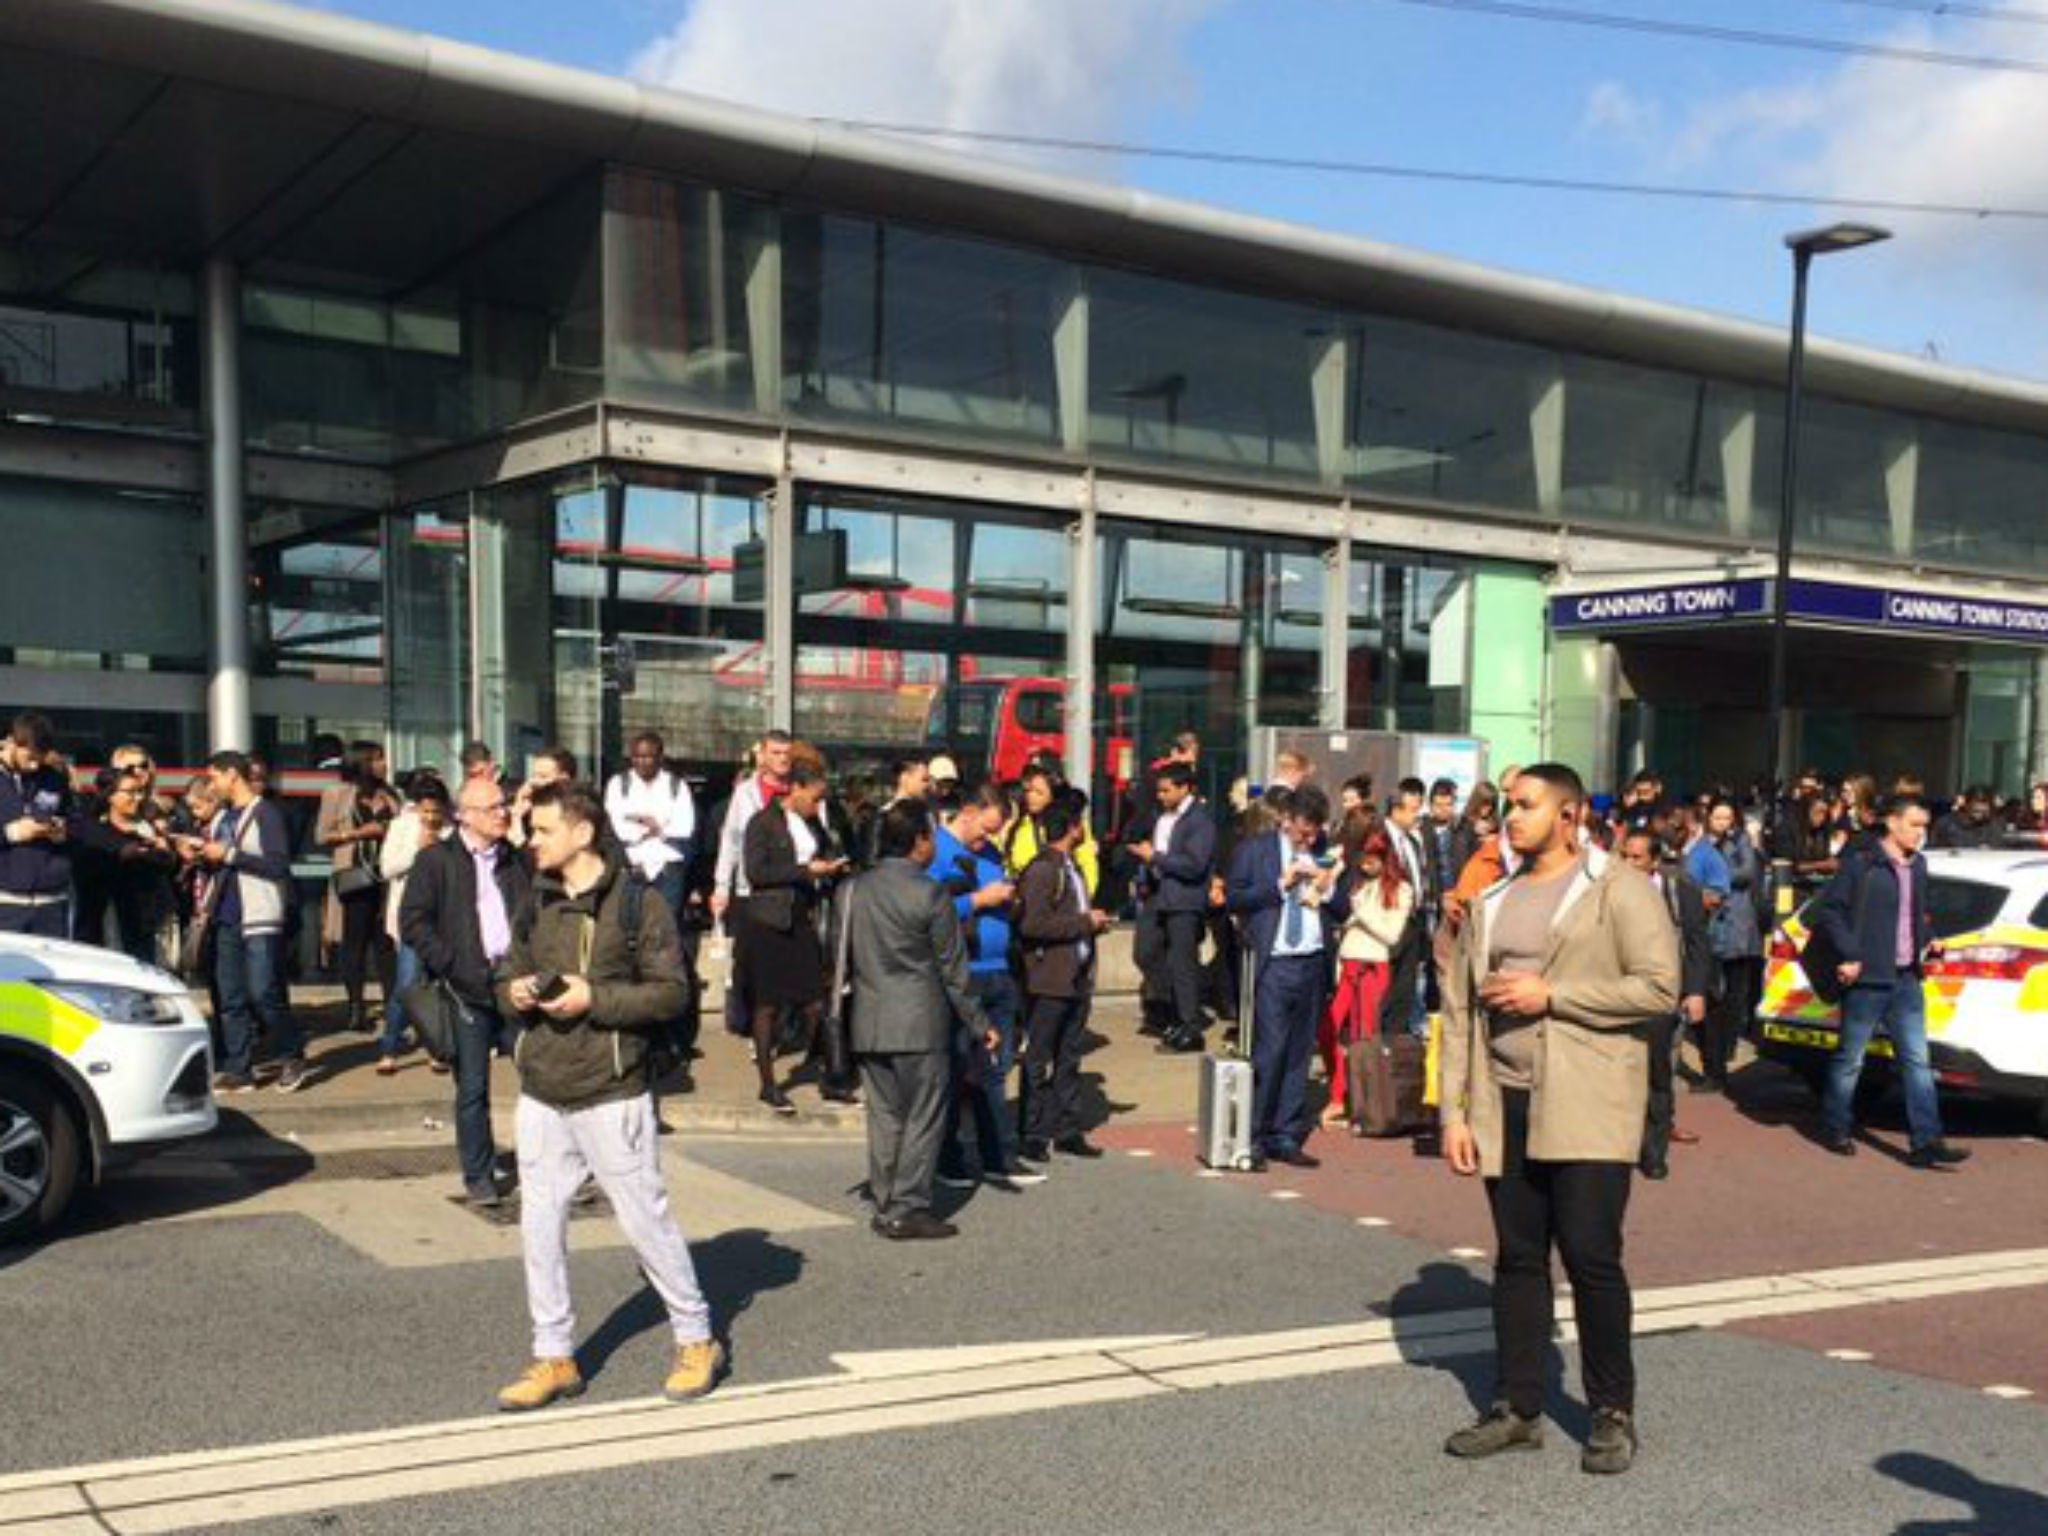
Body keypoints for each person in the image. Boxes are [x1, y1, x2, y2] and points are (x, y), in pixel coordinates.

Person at [1439, 763, 1677, 1477]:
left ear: (1569, 814)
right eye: (1509, 805)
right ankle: (1518, 1408)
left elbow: (1660, 988)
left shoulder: (1618, 890)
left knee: (1590, 1256)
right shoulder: (1494, 896)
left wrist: (1555, 994)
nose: (1510, 816)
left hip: (1588, 1100)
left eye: (1527, 805)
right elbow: (1458, 1010)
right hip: (1502, 1099)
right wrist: (1453, 1110)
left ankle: (1611, 1412)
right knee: (1516, 1258)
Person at [493, 780, 723, 1412]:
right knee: (539, 1225)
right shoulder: (533, 899)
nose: (529, 840)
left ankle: (696, 1336)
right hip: (542, 1085)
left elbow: (673, 993)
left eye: (540, 830)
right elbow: (504, 969)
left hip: (612, 1088)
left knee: (644, 1218)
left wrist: (594, 996)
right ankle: (553, 1354)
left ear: (582, 832)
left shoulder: (638, 904)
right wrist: (510, 991)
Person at [846, 798, 999, 1240]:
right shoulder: (929, 893)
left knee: (885, 1115)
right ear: (918, 842)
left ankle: (886, 1195)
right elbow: (954, 969)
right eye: (930, 834)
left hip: (869, 1017)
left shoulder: (854, 889)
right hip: (919, 1020)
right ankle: (908, 1204)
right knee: (923, 1115)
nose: (934, 842)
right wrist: (978, 1021)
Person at [1812, 794, 1971, 1170]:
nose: (1921, 832)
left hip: (1905, 979)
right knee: (1850, 1059)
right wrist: (1850, 955)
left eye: (1924, 825)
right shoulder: (1861, 863)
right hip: (1867, 979)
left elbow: (1916, 914)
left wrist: (1928, 939)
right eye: (1915, 824)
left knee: (1918, 1060)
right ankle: (1835, 1125)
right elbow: (1831, 913)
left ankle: (1926, 1141)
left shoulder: (1919, 866)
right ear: (1892, 823)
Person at [401, 774, 532, 1206]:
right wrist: (451, 963)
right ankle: (478, 1173)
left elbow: (533, 912)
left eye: (504, 805)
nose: (504, 813)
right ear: (467, 815)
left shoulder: (515, 859)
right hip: (466, 987)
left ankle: (550, 1162)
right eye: (494, 807)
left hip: (513, 981)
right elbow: (414, 921)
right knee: (473, 1086)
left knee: (539, 1072)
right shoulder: (437, 860)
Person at [1227, 784, 1341, 1170]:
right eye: (1303, 831)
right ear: (1286, 820)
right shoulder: (1255, 850)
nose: (1308, 839)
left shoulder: (1325, 852)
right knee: (1270, 1050)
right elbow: (1234, 897)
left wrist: (1327, 890)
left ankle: (1286, 1134)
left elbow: (1344, 907)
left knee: (1298, 1053)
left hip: (1312, 961)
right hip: (1274, 961)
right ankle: (1254, 1135)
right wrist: (1280, 884)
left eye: (1314, 832)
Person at [929, 785, 1034, 1187]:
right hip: (963, 972)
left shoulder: (990, 853)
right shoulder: (937, 851)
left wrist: (1009, 899)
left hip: (997, 969)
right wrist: (977, 901)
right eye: (984, 829)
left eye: (994, 832)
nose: (986, 839)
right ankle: (949, 1157)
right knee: (956, 1068)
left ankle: (997, 1156)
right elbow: (927, 910)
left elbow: (996, 892)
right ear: (969, 812)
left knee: (995, 1069)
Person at [738, 763, 849, 1115]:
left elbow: (817, 853)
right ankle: (768, 1084)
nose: (817, 807)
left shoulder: (811, 823)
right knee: (766, 1004)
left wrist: (830, 867)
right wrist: (804, 871)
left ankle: (823, 1072)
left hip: (800, 917)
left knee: (815, 1001)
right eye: (814, 799)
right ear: (795, 789)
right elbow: (756, 871)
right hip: (768, 921)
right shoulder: (763, 822)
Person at [197, 751, 310, 1094]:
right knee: (230, 996)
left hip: (259, 915)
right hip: (225, 915)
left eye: (215, 777)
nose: (212, 785)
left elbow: (278, 865)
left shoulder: (266, 813)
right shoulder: (222, 817)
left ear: (233, 775)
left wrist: (229, 854)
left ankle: (292, 1052)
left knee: (263, 992)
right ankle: (239, 1067)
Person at [1014, 801, 1113, 1165]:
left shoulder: (1072, 869)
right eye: (1081, 822)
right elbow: (1032, 925)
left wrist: (1092, 924)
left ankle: (1067, 1129)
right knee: (1039, 1057)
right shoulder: (1043, 870)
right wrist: (1084, 922)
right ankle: (1033, 1132)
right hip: (1048, 979)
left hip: (1076, 977)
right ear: (1072, 827)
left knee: (1069, 1057)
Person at [1618, 829, 1710, 1179]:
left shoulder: (1680, 891)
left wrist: (1696, 990)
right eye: (1624, 855)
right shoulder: (1607, 891)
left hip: (1663, 999)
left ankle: (1653, 1152)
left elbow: (1698, 943)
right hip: (1621, 996)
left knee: (1659, 1075)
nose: (1629, 864)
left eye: (1637, 858)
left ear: (1655, 861)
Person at [605, 731, 699, 1076]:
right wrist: (653, 828)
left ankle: (672, 1034)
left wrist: (654, 827)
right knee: (629, 944)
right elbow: (616, 826)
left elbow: (684, 829)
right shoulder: (618, 785)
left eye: (650, 756)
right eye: (637, 756)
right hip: (632, 867)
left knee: (666, 946)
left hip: (667, 869)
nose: (643, 762)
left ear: (660, 756)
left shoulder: (676, 787)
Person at [1319, 828, 1413, 1130]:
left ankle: (1364, 1105)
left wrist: (1362, 914)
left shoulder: (1401, 890)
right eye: (1364, 859)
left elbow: (1392, 934)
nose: (1366, 865)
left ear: (1386, 860)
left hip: (1372, 967)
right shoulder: (1360, 884)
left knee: (1364, 1038)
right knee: (1328, 1030)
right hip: (1348, 965)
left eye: (1373, 860)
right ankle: (1339, 1095)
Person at [1130, 762, 1218, 1055]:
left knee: (1182, 962)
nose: (1161, 795)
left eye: (1167, 790)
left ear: (1185, 788)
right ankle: (1175, 1007)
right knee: (1145, 951)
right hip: (1158, 894)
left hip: (1184, 899)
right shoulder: (1162, 817)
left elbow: (1194, 865)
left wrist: (1156, 857)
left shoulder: (1200, 821)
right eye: (1159, 790)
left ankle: (1189, 1024)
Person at [317, 741, 401, 1034]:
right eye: (378, 759)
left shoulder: (390, 795)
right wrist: (360, 832)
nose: (384, 764)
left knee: (386, 942)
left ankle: (394, 1007)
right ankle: (355, 1007)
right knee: (355, 942)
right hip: (354, 875)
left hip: (385, 876)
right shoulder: (337, 794)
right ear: (362, 762)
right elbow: (322, 835)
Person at [376, 776, 451, 1075]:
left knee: (436, 983)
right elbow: (387, 868)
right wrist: (417, 851)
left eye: (437, 812)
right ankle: (389, 1047)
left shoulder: (452, 831)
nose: (432, 818)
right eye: (426, 811)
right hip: (412, 918)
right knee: (407, 982)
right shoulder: (402, 828)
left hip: (443, 918)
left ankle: (436, 1047)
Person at [74, 766, 179, 965]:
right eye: (130, 792)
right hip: (107, 920)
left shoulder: (149, 826)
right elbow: (90, 868)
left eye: (140, 791)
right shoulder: (93, 829)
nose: (137, 798)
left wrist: (160, 850)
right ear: (110, 796)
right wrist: (125, 853)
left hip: (148, 921)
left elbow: (167, 863)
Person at [1695, 797, 1763, 1095]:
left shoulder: (1741, 841)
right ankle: (1712, 1065)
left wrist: (1714, 874)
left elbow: (1747, 873)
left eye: (1727, 817)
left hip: (1736, 927)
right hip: (1708, 926)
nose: (1722, 823)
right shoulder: (1700, 843)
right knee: (1709, 996)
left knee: (1734, 996)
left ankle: (1725, 1054)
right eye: (1717, 817)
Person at [0, 712, 78, 937]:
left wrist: (64, 832)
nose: (35, 766)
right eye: (30, 758)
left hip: (52, 904)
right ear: (12, 742)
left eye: (40, 759)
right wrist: (11, 833)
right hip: (5, 904)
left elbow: (77, 823)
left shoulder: (54, 778)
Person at [1381, 777, 1432, 1038]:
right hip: (1387, 926)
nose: (1417, 815)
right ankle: (1379, 1048)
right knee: (1384, 994)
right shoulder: (1379, 840)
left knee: (1405, 991)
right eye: (1413, 810)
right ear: (1396, 809)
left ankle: (1396, 1046)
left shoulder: (1411, 841)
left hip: (1413, 925)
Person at [1931, 785, 2001, 850]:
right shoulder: (1946, 824)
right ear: (1966, 804)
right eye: (1975, 810)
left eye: (1984, 811)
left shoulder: (1994, 825)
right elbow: (1935, 848)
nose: (1980, 811)